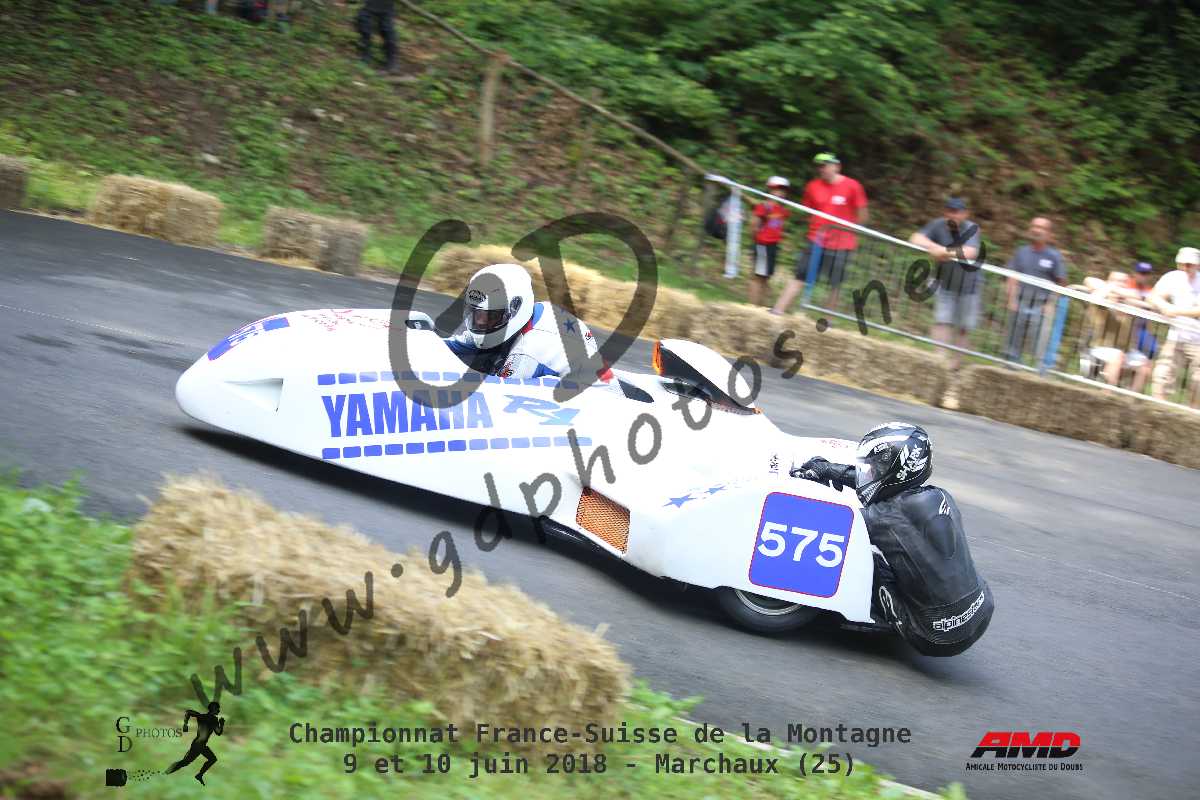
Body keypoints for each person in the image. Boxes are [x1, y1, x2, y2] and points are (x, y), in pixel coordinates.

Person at [792, 423, 993, 657]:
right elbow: (879, 487)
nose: (869, 474)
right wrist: (829, 470)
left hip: (934, 636)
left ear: (898, 471)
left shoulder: (886, 517)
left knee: (862, 553)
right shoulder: (939, 495)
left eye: (875, 469)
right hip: (982, 608)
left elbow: (834, 521)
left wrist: (801, 487)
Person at [445, 263, 609, 382]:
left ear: (515, 309)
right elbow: (458, 344)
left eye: (490, 317)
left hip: (590, 401)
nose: (480, 322)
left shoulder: (526, 353)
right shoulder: (537, 311)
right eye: (475, 314)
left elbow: (494, 395)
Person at [772, 153, 868, 315]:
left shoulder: (852, 186)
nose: (821, 169)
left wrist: (852, 233)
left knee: (835, 284)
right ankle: (777, 311)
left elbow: (863, 214)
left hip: (841, 244)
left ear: (836, 167)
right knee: (800, 275)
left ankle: (827, 321)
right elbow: (808, 211)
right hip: (816, 240)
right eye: (818, 166)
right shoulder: (812, 186)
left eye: (824, 165)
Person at [909, 198, 983, 371]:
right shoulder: (938, 224)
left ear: (965, 214)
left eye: (957, 212)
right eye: (950, 211)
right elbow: (915, 238)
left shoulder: (971, 228)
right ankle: (939, 360)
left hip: (969, 287)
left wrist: (942, 252)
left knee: (963, 327)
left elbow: (971, 252)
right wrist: (935, 247)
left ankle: (956, 365)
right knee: (941, 321)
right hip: (945, 283)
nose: (953, 215)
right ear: (945, 212)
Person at [1003, 216, 1067, 363]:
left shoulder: (1054, 256)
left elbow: (1061, 282)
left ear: (1049, 234)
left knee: (1040, 341)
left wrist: (1051, 304)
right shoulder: (1021, 252)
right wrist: (1011, 299)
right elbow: (1012, 276)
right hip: (1020, 301)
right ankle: (1010, 364)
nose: (1037, 230)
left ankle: (1037, 369)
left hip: (1041, 305)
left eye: (1041, 228)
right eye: (1034, 226)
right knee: (1013, 336)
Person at [1149, 246, 1200, 405]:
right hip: (1176, 335)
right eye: (1182, 264)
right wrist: (1164, 306)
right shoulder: (1172, 277)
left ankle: (1193, 412)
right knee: (1163, 372)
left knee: (1198, 380)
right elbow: (1153, 296)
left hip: (1197, 338)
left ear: (1197, 265)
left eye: (1189, 264)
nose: (1185, 267)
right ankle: (1158, 407)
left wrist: (1177, 311)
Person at [748, 176, 791, 306]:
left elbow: (780, 226)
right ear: (770, 189)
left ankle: (761, 306)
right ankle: (753, 306)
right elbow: (753, 225)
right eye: (777, 189)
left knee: (766, 277)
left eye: (783, 190)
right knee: (758, 276)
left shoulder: (783, 210)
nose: (781, 193)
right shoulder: (764, 206)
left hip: (773, 246)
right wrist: (758, 240)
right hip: (762, 244)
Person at [165, 702, 225, 785]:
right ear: (213, 709)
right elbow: (218, 732)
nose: (219, 710)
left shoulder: (202, 717)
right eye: (217, 709)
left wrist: (185, 724)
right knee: (185, 762)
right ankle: (166, 773)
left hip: (199, 744)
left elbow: (188, 712)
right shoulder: (212, 719)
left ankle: (199, 775)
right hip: (199, 745)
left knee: (210, 759)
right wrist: (221, 724)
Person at [356, 0, 397, 72]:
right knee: (363, 24)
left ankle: (391, 61)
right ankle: (366, 55)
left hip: (386, 5)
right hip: (370, 4)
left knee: (387, 31)